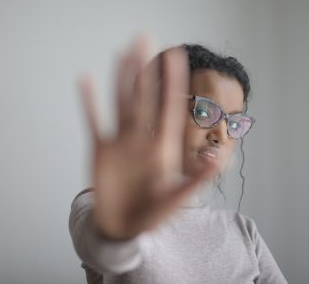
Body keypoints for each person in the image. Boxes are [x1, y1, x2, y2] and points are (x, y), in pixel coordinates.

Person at [68, 37, 288, 284]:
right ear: (156, 114)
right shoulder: (108, 206)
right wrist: (118, 236)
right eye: (204, 112)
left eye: (233, 123)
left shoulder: (244, 231)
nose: (221, 135)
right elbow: (103, 248)